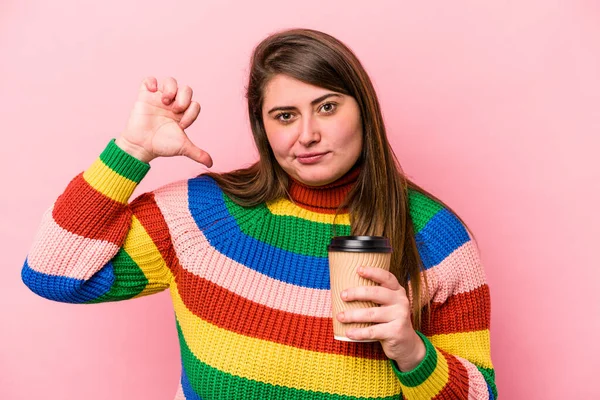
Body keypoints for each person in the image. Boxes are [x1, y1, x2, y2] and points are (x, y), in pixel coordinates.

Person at [22, 28, 497, 399]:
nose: (307, 133)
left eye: (327, 107)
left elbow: (481, 395)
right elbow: (53, 273)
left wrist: (413, 353)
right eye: (285, 115)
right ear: (263, 127)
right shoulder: (202, 216)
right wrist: (132, 150)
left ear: (364, 111)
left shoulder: (436, 236)